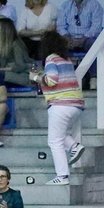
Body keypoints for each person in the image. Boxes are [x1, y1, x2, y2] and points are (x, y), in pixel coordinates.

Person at [33, 34, 84, 186]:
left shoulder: (51, 59)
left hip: (60, 104)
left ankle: (62, 176)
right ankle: (75, 146)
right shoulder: (66, 60)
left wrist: (35, 78)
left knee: (54, 141)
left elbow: (52, 80)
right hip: (76, 104)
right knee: (60, 135)